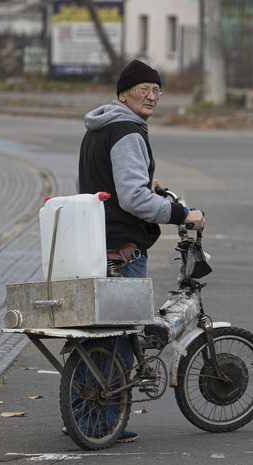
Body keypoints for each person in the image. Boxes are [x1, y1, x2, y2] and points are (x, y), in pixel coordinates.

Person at [75, 59, 205, 444]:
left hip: (96, 244)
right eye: (143, 89)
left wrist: (146, 181)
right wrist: (183, 214)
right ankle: (103, 424)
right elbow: (132, 199)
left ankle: (83, 417)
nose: (152, 96)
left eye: (157, 90)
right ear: (122, 94)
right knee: (121, 337)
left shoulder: (98, 128)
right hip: (124, 249)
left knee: (95, 337)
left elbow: (93, 182)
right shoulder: (128, 130)